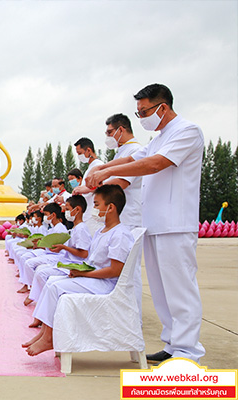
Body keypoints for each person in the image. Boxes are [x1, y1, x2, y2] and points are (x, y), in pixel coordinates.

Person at [86, 84, 205, 363]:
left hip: (176, 223)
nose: (141, 118)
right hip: (153, 223)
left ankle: (188, 351)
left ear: (162, 107)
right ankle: (173, 344)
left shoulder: (187, 131)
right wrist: (102, 169)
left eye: (144, 112)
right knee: (162, 291)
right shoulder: (159, 137)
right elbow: (134, 158)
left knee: (180, 289)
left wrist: (107, 170)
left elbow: (153, 165)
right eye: (137, 113)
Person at [22, 184, 134, 356]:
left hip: (105, 284)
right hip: (94, 278)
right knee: (51, 281)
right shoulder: (101, 231)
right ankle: (45, 333)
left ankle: (49, 338)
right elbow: (91, 260)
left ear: (110, 207)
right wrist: (76, 270)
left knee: (55, 287)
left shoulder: (120, 234)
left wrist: (84, 273)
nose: (94, 209)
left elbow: (115, 270)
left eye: (97, 205)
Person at [102, 113, 144, 314]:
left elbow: (122, 183)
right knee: (119, 270)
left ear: (121, 129)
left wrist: (96, 185)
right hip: (121, 219)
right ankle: (122, 313)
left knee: (129, 272)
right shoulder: (121, 153)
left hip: (130, 218)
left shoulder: (136, 150)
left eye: (110, 132)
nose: (108, 136)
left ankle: (132, 316)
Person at [24, 195, 91, 314]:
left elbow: (84, 253)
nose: (65, 211)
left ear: (77, 209)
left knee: (41, 272)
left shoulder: (81, 228)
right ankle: (42, 303)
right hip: (66, 260)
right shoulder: (76, 228)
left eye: (68, 208)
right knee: (40, 270)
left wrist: (63, 247)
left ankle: (45, 303)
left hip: (74, 264)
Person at [73, 137, 105, 235]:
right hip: (88, 214)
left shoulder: (98, 165)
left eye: (80, 153)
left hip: (94, 215)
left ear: (88, 150)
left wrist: (85, 189)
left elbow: (102, 186)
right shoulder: (89, 168)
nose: (79, 156)